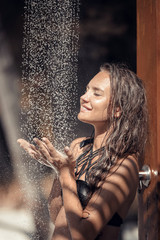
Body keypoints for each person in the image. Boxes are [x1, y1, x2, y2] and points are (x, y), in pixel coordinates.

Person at [17, 63, 148, 240]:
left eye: (96, 93)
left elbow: (83, 234)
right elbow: (57, 218)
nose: (84, 97)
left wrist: (65, 173)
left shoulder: (124, 164)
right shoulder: (79, 147)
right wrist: (59, 170)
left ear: (118, 109)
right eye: (86, 90)